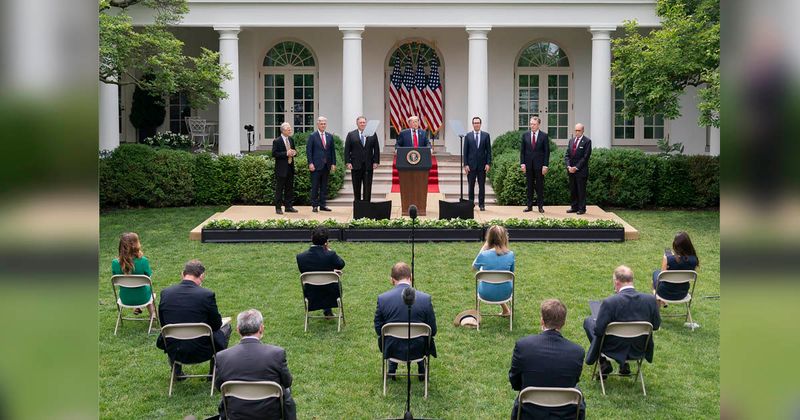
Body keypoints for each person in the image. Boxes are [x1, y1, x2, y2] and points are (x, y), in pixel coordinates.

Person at [509, 299, 585, 420]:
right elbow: (573, 381)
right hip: (564, 414)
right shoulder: (577, 352)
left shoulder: (523, 346)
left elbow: (515, 381)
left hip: (529, 412)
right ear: (563, 322)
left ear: (542, 321)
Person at [214, 309, 297, 420]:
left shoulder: (222, 357)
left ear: (238, 330)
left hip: (236, 414)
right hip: (271, 414)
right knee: (286, 391)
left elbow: (219, 386)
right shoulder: (277, 354)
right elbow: (287, 382)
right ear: (261, 328)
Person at [156, 260, 232, 379]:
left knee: (168, 332)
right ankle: (214, 373)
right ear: (202, 276)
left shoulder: (166, 293)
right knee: (226, 327)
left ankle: (176, 371)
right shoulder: (206, 295)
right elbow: (216, 325)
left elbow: (163, 322)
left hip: (175, 349)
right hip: (202, 349)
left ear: (183, 274)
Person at [584, 265, 661, 378]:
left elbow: (599, 331)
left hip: (612, 348)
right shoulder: (650, 300)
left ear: (616, 282)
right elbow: (656, 325)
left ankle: (603, 361)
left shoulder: (610, 303)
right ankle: (623, 364)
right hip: (638, 347)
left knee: (589, 321)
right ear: (632, 280)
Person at [374, 262, 437, 380]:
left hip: (392, 348)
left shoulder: (383, 299)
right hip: (419, 349)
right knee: (424, 335)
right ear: (411, 277)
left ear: (392, 280)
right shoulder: (425, 299)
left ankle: (392, 368)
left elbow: (379, 329)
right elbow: (432, 330)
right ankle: (422, 369)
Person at [296, 227, 346, 318]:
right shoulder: (330, 255)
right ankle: (328, 311)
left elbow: (305, 271)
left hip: (311, 293)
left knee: (321, 283)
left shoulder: (301, 257)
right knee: (328, 284)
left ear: (311, 238)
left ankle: (327, 311)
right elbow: (341, 264)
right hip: (332, 293)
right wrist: (329, 250)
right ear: (326, 241)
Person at [472, 225, 514, 317]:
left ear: (489, 238)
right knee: (500, 278)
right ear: (504, 238)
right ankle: (506, 310)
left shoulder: (484, 255)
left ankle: (505, 310)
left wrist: (484, 247)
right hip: (505, 293)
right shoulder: (511, 255)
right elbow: (511, 274)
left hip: (485, 293)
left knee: (484, 273)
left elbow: (473, 267)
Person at [111, 232, 155, 317]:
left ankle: (137, 307)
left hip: (125, 299)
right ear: (136, 245)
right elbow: (148, 278)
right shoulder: (143, 261)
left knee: (135, 287)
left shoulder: (115, 263)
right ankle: (153, 315)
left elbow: (115, 279)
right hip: (143, 298)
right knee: (149, 289)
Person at [652, 231, 700, 305]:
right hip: (682, 294)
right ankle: (662, 302)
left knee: (655, 274)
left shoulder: (669, 259)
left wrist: (667, 258)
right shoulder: (694, 260)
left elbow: (661, 277)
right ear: (688, 245)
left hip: (664, 293)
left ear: (675, 245)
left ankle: (660, 303)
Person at [344, 116, 381, 202]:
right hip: (355, 165)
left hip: (368, 165)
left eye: (364, 122)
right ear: (357, 124)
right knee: (356, 187)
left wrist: (376, 161)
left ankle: (367, 207)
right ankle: (357, 206)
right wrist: (348, 162)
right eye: (360, 122)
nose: (362, 124)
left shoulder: (372, 133)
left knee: (367, 187)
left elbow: (376, 148)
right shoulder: (351, 134)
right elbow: (347, 149)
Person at [520, 116, 550, 213]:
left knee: (540, 186)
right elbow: (522, 151)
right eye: (531, 124)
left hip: (540, 166)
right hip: (528, 165)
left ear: (538, 125)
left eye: (534, 124)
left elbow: (546, 152)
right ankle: (529, 206)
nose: (532, 126)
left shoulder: (544, 136)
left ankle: (540, 206)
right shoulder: (525, 135)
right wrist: (522, 163)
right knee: (529, 186)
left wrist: (545, 165)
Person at [306, 116, 336, 212]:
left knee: (324, 186)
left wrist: (333, 164)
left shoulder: (329, 136)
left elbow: (332, 151)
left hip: (326, 165)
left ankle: (323, 205)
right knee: (315, 186)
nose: (323, 125)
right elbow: (309, 151)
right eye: (321, 124)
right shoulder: (312, 136)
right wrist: (310, 163)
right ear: (317, 124)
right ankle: (314, 205)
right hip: (316, 165)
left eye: (324, 124)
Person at [463, 116, 492, 211]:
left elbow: (489, 151)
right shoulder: (468, 136)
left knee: (482, 186)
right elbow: (465, 152)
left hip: (482, 166)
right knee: (471, 186)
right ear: (472, 124)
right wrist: (466, 165)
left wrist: (488, 163)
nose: (476, 124)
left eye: (478, 123)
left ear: (480, 124)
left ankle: (481, 204)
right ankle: (470, 204)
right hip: (471, 166)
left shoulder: (486, 135)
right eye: (475, 123)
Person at [565, 123, 592, 215]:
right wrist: (568, 166)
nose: (577, 132)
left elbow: (585, 157)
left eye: (579, 130)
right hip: (571, 170)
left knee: (581, 190)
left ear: (583, 131)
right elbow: (567, 155)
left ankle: (581, 208)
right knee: (573, 190)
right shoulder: (571, 141)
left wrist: (576, 167)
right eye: (575, 130)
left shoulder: (587, 141)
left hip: (581, 171)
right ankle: (574, 207)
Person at [272, 122, 298, 215]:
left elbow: (294, 150)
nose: (290, 131)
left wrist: (294, 153)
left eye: (290, 129)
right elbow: (274, 154)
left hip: (290, 168)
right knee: (279, 189)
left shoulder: (291, 139)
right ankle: (278, 208)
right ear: (283, 131)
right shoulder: (277, 141)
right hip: (281, 169)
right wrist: (286, 153)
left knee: (289, 188)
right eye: (288, 129)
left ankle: (288, 207)